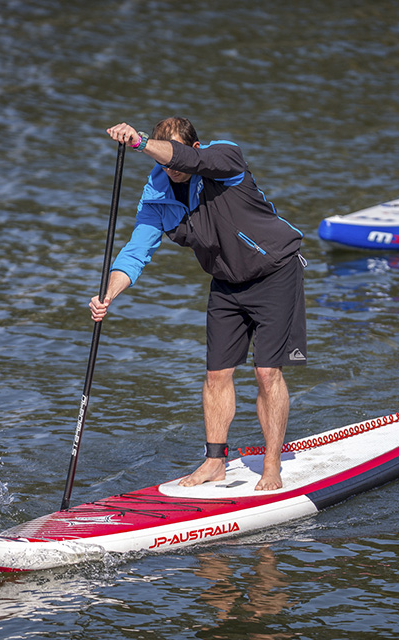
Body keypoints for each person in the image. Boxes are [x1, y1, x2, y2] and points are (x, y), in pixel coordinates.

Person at [91, 117, 307, 491]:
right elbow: (135, 254)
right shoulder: (157, 196)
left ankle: (272, 464)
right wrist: (108, 294)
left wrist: (140, 142)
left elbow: (187, 160)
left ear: (194, 149)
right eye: (164, 162)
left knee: (266, 373)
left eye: (176, 158)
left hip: (275, 273)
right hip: (226, 282)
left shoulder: (225, 160)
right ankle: (214, 462)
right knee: (216, 375)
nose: (171, 169)